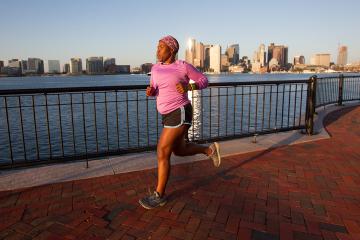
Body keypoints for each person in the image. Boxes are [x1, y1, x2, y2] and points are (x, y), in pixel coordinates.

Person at [139, 35, 221, 210]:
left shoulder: (182, 66)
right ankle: (209, 150)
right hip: (166, 114)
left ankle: (159, 195)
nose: (157, 50)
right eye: (157, 47)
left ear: (172, 49)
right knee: (179, 150)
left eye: (161, 47)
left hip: (181, 111)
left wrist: (189, 87)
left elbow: (203, 80)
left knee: (162, 151)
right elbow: (156, 89)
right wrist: (151, 91)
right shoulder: (154, 69)